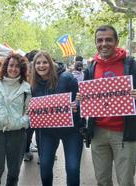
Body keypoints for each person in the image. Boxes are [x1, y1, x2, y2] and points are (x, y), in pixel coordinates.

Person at [77, 25, 136, 186]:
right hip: (98, 133)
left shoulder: (130, 64)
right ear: (96, 43)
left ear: (116, 42)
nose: (104, 44)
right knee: (102, 181)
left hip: (125, 133)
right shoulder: (91, 67)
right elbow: (87, 99)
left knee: (126, 181)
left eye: (108, 40)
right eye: (100, 40)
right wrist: (81, 98)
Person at [30, 51, 83, 186]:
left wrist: (76, 105)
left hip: (71, 131)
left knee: (72, 169)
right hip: (48, 132)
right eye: (38, 63)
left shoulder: (67, 78)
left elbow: (81, 98)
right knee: (45, 169)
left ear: (51, 63)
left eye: (44, 62)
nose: (41, 66)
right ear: (34, 66)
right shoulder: (34, 85)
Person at [0, 53, 31, 186]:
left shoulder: (26, 88)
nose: (13, 69)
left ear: (22, 69)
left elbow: (29, 112)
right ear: (6, 66)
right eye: (11, 65)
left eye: (17, 66)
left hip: (17, 134)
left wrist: (20, 123)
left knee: (14, 172)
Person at [23, 50, 39, 162]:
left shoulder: (39, 69)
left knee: (33, 131)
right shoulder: (26, 71)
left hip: (37, 106)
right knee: (31, 131)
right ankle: (27, 151)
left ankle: (27, 151)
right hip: (31, 105)